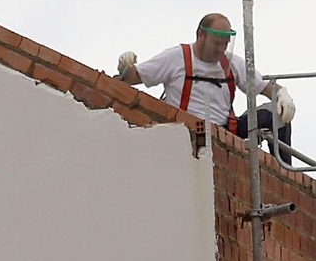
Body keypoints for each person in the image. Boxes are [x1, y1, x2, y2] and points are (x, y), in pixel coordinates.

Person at [117, 13, 297, 161]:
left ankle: (284, 174)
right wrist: (125, 68)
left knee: (275, 114)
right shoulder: (177, 58)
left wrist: (282, 94)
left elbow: (264, 87)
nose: (220, 49)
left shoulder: (232, 63)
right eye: (216, 43)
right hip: (185, 131)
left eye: (225, 44)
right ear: (201, 35)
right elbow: (133, 78)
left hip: (225, 133)